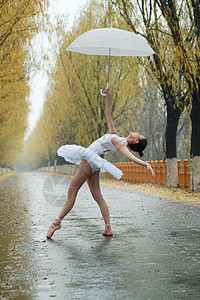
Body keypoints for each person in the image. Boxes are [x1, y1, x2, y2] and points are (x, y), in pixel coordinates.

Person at [46, 88, 155, 239]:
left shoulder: (120, 142)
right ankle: (108, 228)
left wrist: (145, 164)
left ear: (136, 140)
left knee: (72, 191)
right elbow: (108, 116)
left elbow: (131, 156)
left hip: (90, 161)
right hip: (95, 164)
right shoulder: (116, 136)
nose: (137, 131)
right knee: (98, 196)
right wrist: (107, 97)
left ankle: (57, 222)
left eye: (139, 134)